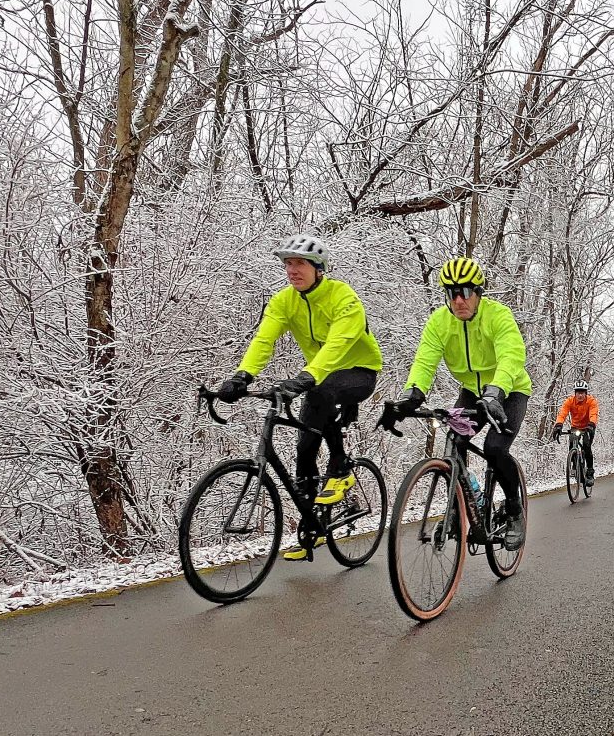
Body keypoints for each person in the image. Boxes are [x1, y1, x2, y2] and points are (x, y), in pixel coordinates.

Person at [214, 234, 382, 560]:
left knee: (323, 389)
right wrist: (242, 376)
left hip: (358, 371)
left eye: (300, 263)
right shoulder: (283, 301)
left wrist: (306, 377)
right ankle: (312, 521)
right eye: (288, 263)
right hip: (316, 378)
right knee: (304, 448)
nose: (292, 270)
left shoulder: (342, 297)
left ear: (319, 268)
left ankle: (341, 471)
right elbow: (264, 340)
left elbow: (338, 345)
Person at [382, 257, 532, 550]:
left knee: (494, 448)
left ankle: (515, 511)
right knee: (455, 441)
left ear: (479, 293)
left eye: (465, 291)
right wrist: (413, 394)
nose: (459, 299)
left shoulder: (497, 316)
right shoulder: (440, 322)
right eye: (452, 293)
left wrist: (495, 392)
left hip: (509, 391)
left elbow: (511, 356)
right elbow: (425, 360)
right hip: (471, 392)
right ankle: (459, 507)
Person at [553, 380, 598, 486]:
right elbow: (562, 413)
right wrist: (558, 425)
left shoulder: (591, 401)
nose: (580, 395)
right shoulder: (570, 401)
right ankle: (574, 465)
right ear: (575, 393)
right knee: (572, 444)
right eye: (578, 392)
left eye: (582, 392)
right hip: (576, 427)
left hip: (588, 427)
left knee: (586, 446)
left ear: (586, 393)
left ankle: (590, 472)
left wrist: (591, 424)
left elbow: (594, 414)